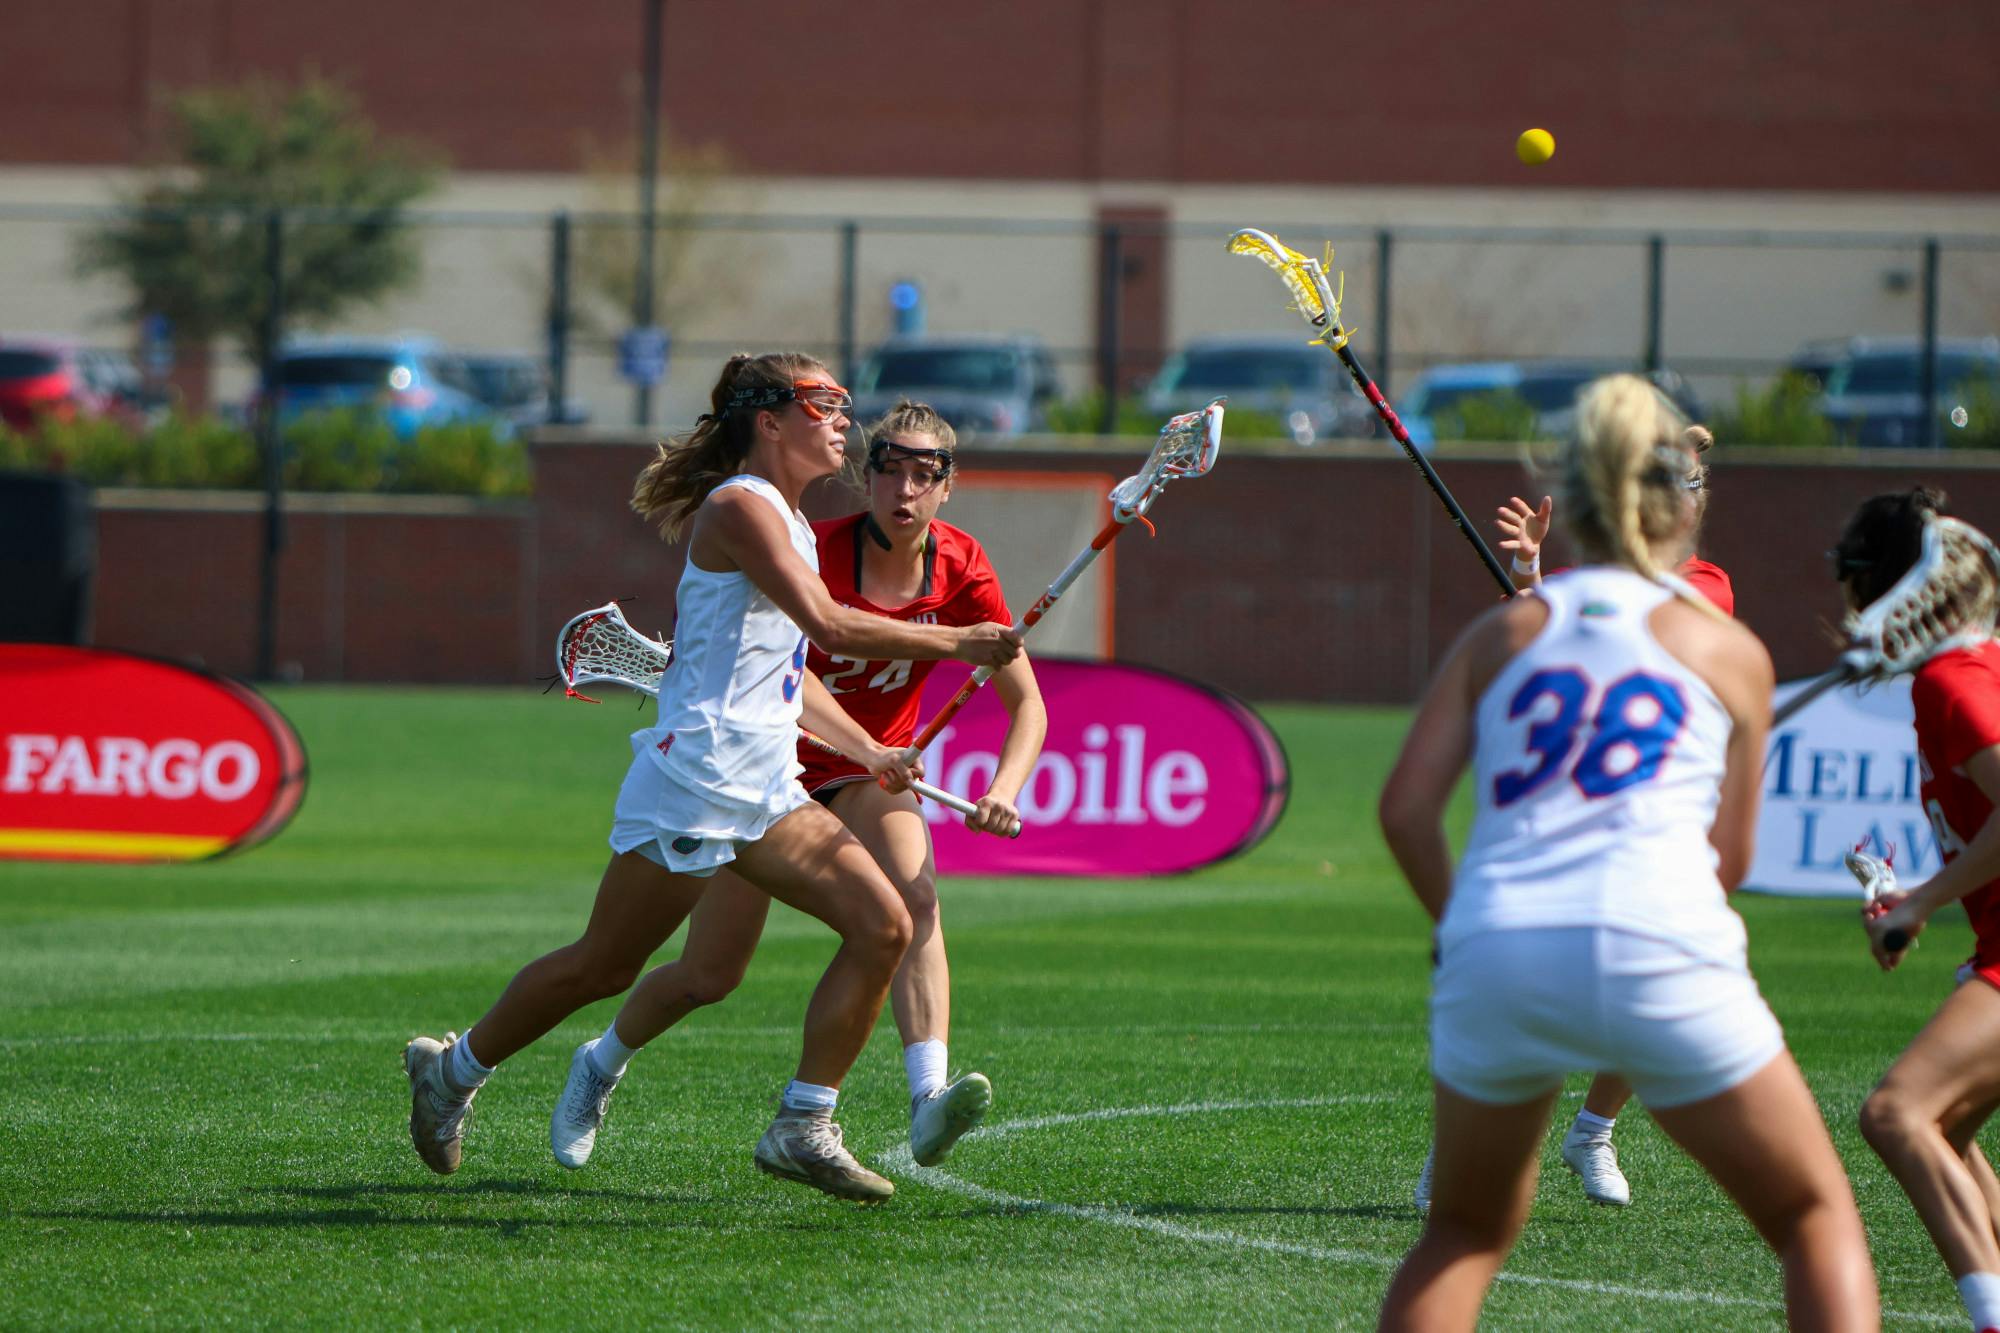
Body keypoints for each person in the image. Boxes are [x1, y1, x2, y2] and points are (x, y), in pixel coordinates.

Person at [401, 353, 1022, 1203]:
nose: (843, 420)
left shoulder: (796, 524)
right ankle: (454, 1071)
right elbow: (831, 626)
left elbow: (792, 668)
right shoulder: (740, 507)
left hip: (765, 783)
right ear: (770, 422)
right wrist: (960, 642)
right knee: (604, 966)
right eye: (824, 404)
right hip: (696, 781)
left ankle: (803, 1123)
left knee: (884, 925)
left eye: (843, 404)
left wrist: (870, 751)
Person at [1376, 375, 1876, 1330]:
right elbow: (1731, 858)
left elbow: (1405, 811)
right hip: (1663, 935)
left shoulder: (1507, 630)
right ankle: (1596, 1128)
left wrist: (1459, 926)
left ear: (1580, 498)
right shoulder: (1730, 649)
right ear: (1685, 503)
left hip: (1499, 944)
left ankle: (1590, 1129)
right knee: (1815, 1217)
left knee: (1463, 1235)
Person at [548, 399, 1048, 1172]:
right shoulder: (817, 549)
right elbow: (789, 667)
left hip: (862, 774)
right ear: (869, 475)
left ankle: (925, 1101)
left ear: (947, 486)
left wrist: (1006, 788)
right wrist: (869, 733)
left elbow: (1028, 704)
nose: (905, 491)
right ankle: (601, 1060)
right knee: (708, 975)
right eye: (890, 471)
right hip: (762, 770)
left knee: (913, 897)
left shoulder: (962, 567)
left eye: (924, 476)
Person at [1427, 423, 1729, 1209]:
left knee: (1645, 999)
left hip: (1647, 824)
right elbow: (1554, 645)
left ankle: (1591, 1131)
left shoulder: (1708, 584)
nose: (1688, 501)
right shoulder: (1581, 587)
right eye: (1676, 485)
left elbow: (1626, 626)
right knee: (1525, 998)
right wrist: (1530, 581)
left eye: (1693, 485)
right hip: (1563, 814)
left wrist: (1545, 594)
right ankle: (1459, 1146)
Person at [1844, 490, 2000, 1333]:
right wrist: (1914, 902)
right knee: (1946, 1127)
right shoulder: (1948, 681)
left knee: (1896, 1113)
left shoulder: (1954, 680)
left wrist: (1920, 903)